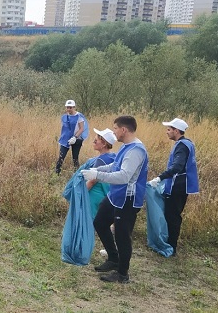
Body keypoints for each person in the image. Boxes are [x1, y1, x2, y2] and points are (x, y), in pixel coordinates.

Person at [81, 116, 148, 283]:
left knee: (122, 235)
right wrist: (96, 168)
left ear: (124, 130)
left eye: (115, 129)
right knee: (100, 222)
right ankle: (113, 258)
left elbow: (124, 176)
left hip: (127, 199)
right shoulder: (126, 147)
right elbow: (115, 166)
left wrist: (97, 175)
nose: (114, 132)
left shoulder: (135, 151)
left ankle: (122, 274)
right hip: (115, 195)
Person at [148, 118, 199, 256]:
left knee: (172, 217)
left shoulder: (182, 146)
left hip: (177, 187)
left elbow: (177, 166)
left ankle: (171, 248)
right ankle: (170, 245)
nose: (167, 132)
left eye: (169, 129)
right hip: (183, 186)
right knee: (173, 215)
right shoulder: (187, 143)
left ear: (176, 131)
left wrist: (160, 178)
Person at [86, 128, 117, 220]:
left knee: (91, 220)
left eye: (96, 141)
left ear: (104, 144)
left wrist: (81, 193)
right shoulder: (113, 156)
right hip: (108, 194)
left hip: (96, 195)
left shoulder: (101, 160)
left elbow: (92, 181)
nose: (93, 142)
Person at [56, 100, 87, 175]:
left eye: (70, 107)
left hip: (76, 139)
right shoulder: (64, 117)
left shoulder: (79, 116)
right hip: (65, 140)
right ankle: (56, 174)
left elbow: (82, 128)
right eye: (67, 107)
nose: (69, 109)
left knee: (75, 158)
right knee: (61, 157)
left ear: (74, 107)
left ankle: (77, 175)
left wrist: (75, 137)